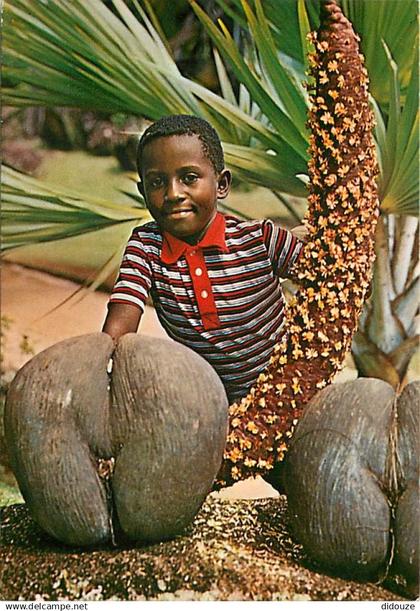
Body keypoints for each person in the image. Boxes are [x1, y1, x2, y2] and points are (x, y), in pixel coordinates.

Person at [102, 114, 304, 404]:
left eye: (189, 178)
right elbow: (120, 325)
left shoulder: (261, 239)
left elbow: (339, 282)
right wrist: (104, 372)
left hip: (288, 391)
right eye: (157, 182)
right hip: (207, 406)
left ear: (221, 184)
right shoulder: (146, 247)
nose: (173, 194)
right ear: (143, 191)